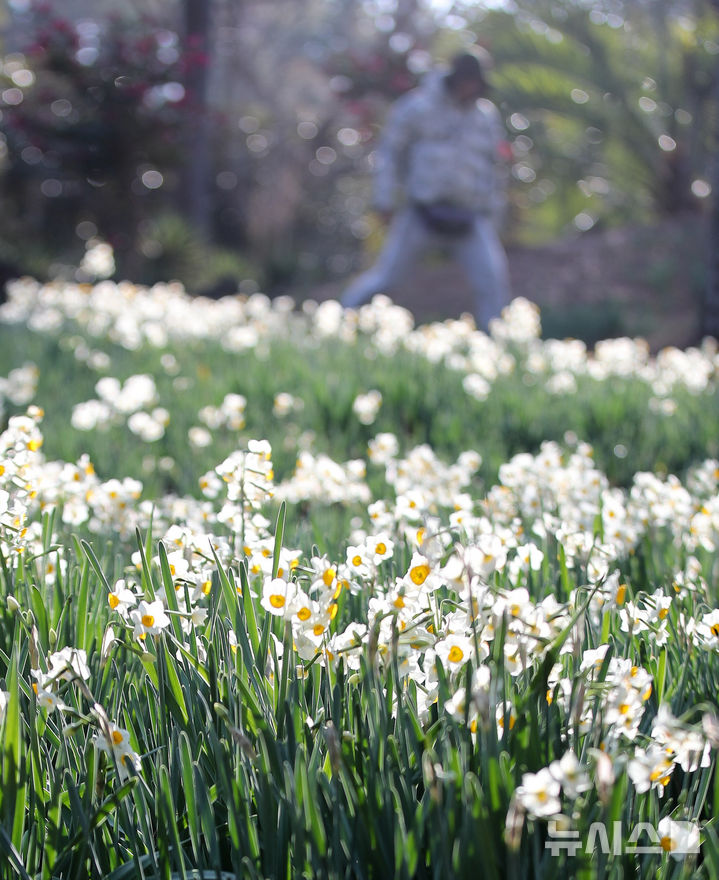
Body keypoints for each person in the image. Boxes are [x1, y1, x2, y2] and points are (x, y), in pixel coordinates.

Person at [341, 50, 511, 331]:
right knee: (388, 277)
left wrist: (494, 213)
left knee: (492, 279)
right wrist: (384, 199)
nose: (472, 88)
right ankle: (340, 321)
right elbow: (390, 154)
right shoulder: (418, 107)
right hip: (421, 212)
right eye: (468, 81)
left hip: (469, 216)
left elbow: (495, 168)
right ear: (457, 79)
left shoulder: (485, 116)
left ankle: (497, 345)